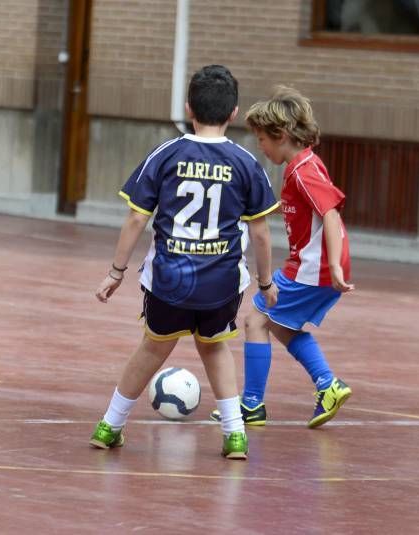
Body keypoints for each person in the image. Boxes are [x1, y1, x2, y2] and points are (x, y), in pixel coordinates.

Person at [88, 65, 280, 460]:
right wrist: (265, 283)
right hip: (222, 283)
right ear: (234, 113)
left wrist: (116, 272)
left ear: (188, 107)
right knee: (215, 349)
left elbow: (137, 218)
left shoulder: (166, 153)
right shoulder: (246, 164)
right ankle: (235, 435)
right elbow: (260, 233)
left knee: (153, 348)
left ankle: (110, 425)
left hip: (170, 280)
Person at [211, 85, 354, 428]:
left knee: (255, 321)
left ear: (282, 135)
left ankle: (251, 405)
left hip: (312, 268)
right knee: (278, 323)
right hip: (313, 266)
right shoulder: (302, 166)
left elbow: (331, 214)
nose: (260, 146)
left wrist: (333, 265)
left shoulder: (304, 171)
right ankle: (327, 384)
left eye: (262, 139)